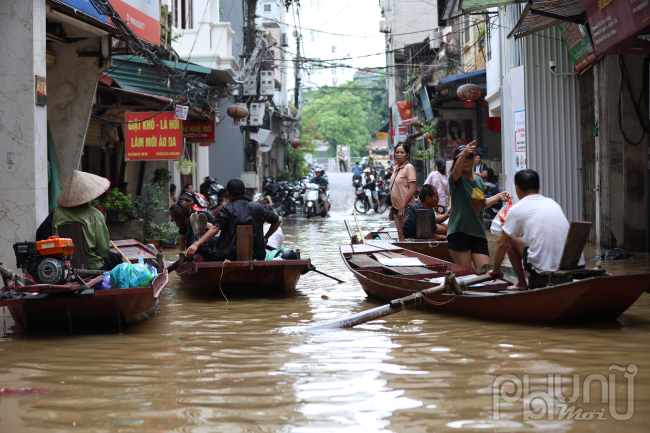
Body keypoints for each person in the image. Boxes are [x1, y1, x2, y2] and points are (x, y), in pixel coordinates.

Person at [489, 170, 583, 291]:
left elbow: (501, 244)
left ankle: (521, 283)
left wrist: (496, 270)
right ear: (538, 187)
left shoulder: (516, 210)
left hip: (545, 269)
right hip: (575, 264)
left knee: (509, 239)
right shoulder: (552, 203)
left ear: (517, 188)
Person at [186, 178, 282, 262]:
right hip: (257, 254)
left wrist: (196, 243)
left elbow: (215, 228)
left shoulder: (226, 209)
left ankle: (206, 267)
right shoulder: (258, 207)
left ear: (227, 194)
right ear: (244, 192)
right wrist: (265, 238)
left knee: (202, 242)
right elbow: (278, 221)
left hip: (230, 255)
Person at [447, 142, 510, 269]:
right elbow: (457, 171)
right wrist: (464, 153)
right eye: (463, 158)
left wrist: (498, 196)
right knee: (465, 275)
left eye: (470, 157)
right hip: (460, 232)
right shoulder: (455, 179)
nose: (466, 160)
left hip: (478, 233)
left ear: (473, 160)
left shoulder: (478, 181)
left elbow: (481, 205)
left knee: (485, 272)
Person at [52, 170, 122, 270]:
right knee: (117, 258)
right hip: (92, 266)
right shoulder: (95, 214)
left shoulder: (57, 212)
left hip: (64, 265)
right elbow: (103, 249)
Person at [388, 143, 417, 241]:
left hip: (406, 207)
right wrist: (392, 208)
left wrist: (403, 205)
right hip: (396, 207)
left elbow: (412, 189)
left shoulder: (409, 168)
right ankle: (403, 255)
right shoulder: (396, 169)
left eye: (402, 152)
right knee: (400, 235)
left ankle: (411, 254)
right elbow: (394, 190)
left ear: (407, 154)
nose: (399, 155)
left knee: (408, 236)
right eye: (397, 152)